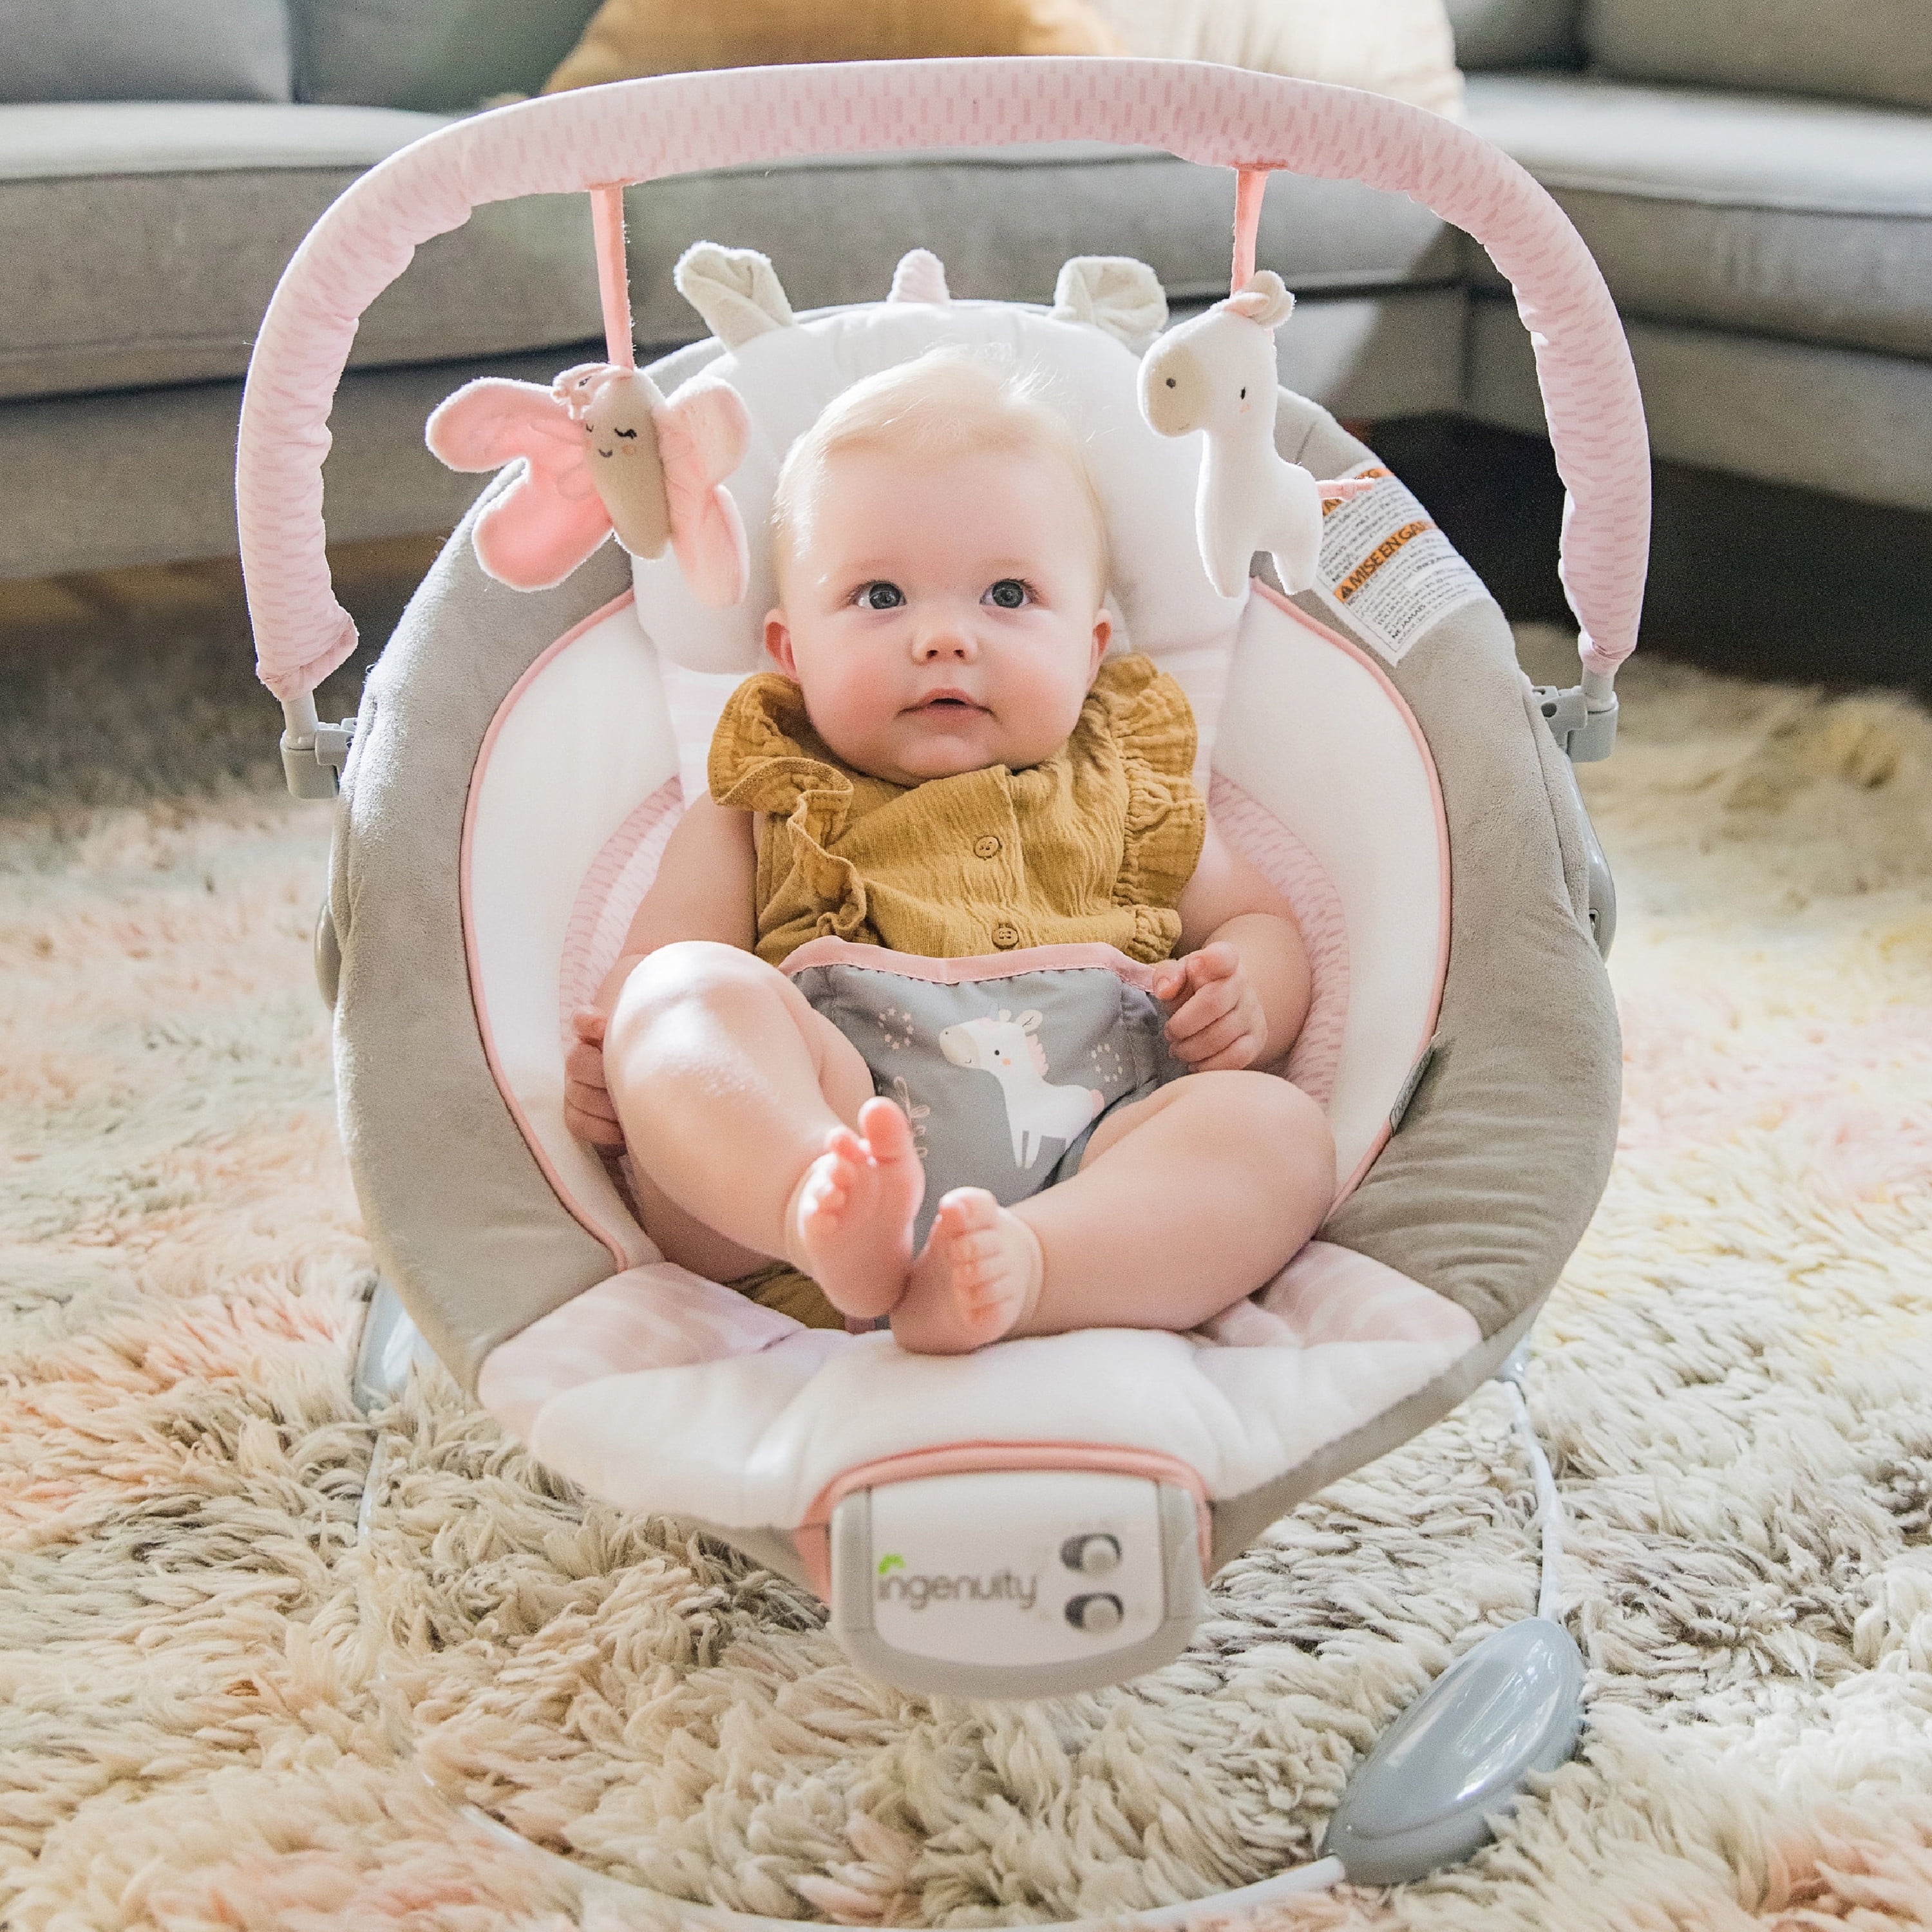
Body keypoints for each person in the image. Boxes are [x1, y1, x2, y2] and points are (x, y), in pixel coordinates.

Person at [563, 348, 1334, 1354]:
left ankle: (1031, 1270)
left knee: (1279, 1135)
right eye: (881, 598)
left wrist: (1248, 999)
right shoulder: (766, 793)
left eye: (1007, 597)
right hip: (805, 1165)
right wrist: (633, 1055)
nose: (943, 638)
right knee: (681, 991)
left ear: (1092, 648)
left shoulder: (1126, 782)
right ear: (792, 655)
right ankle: (817, 1205)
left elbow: (1258, 926)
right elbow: (655, 968)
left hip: (1095, 1164)